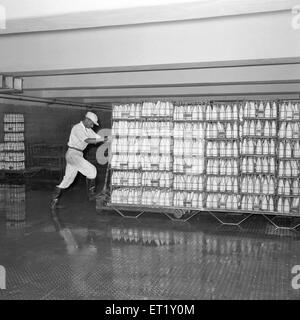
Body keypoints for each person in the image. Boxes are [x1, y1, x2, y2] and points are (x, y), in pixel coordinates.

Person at [51, 111, 105, 209]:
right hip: (73, 153)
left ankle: (53, 202)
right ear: (87, 120)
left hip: (77, 154)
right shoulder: (77, 128)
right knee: (92, 170)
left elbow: (98, 138)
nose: (92, 126)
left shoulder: (88, 130)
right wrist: (103, 139)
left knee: (67, 180)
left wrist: (108, 138)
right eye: (92, 123)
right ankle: (91, 195)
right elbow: (87, 140)